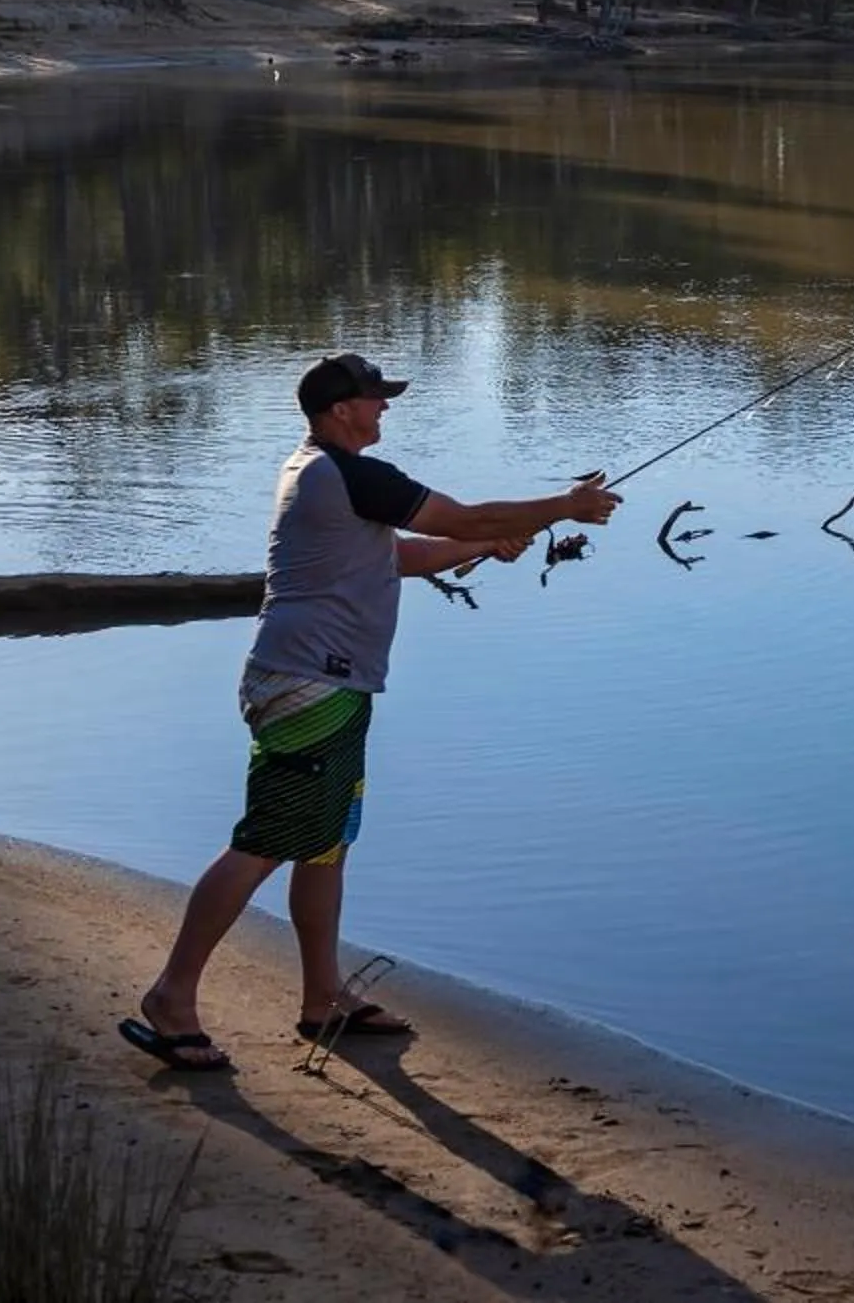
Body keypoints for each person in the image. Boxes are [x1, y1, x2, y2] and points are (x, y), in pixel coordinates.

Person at [119, 352, 621, 1072]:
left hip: (325, 684)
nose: (384, 406)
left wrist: (485, 544)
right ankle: (171, 997)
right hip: (308, 686)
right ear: (339, 409)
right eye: (374, 397)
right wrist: (562, 506)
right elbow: (468, 514)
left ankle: (323, 998)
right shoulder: (347, 474)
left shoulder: (320, 475)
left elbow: (402, 557)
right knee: (264, 841)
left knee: (325, 843)